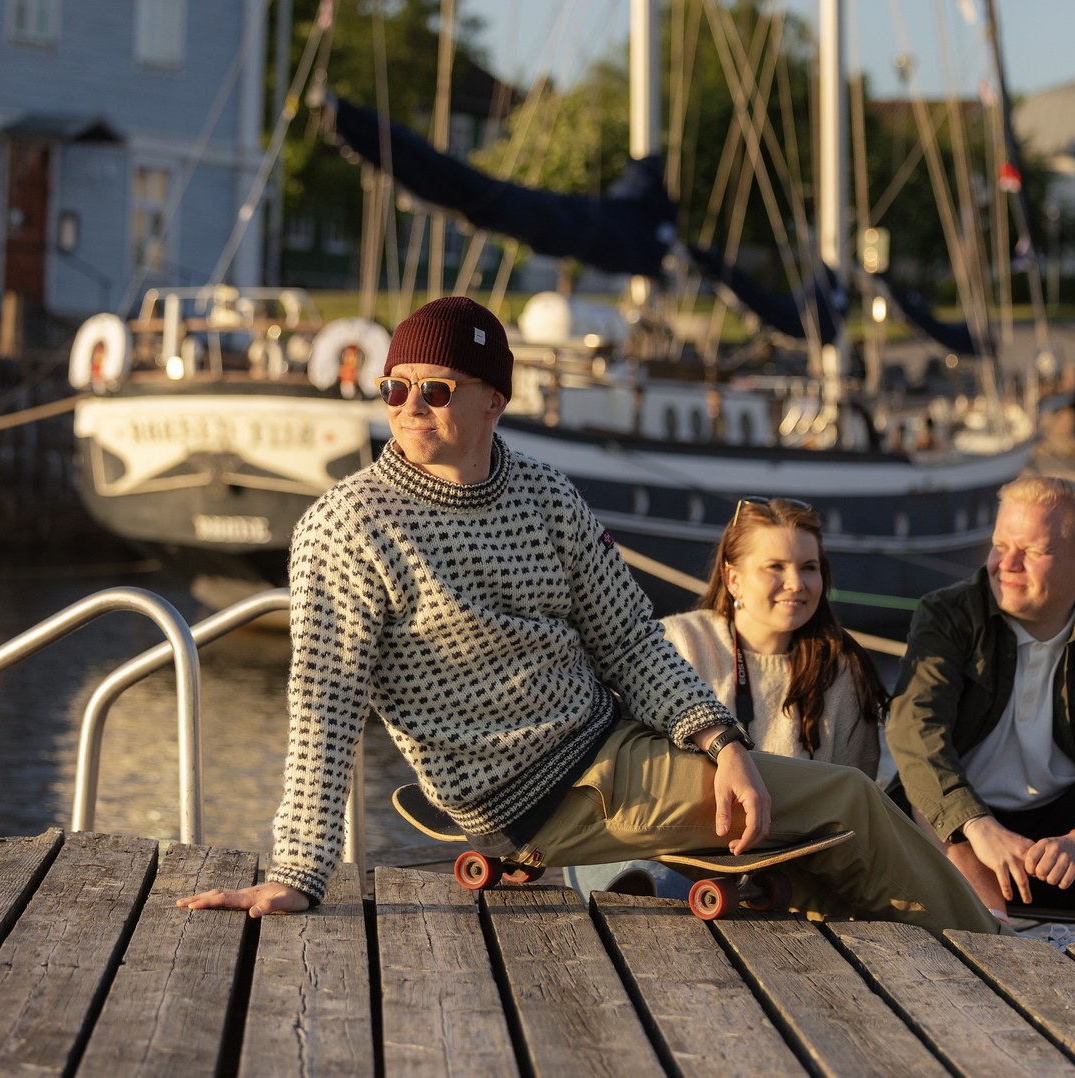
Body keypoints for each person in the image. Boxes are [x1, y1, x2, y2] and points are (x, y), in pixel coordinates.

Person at [178, 295, 1005, 937]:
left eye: (434, 390)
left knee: (806, 816)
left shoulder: (544, 495)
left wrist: (722, 743)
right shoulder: (348, 526)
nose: (408, 405)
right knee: (850, 803)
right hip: (539, 790)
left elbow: (632, 645)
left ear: (493, 401)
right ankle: (993, 957)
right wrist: (297, 872)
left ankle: (908, 943)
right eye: (393, 388)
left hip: (607, 744)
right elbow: (323, 708)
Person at [887, 474, 1075, 951]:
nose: (1005, 565)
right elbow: (913, 729)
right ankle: (988, 930)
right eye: (999, 545)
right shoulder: (947, 616)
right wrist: (979, 825)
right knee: (924, 784)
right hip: (969, 836)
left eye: (1031, 552)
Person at [563, 497, 888, 899]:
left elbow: (849, 810)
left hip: (766, 874)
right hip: (649, 845)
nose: (796, 583)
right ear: (733, 579)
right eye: (776, 567)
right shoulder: (674, 644)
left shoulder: (842, 674)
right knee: (649, 882)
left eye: (809, 567)